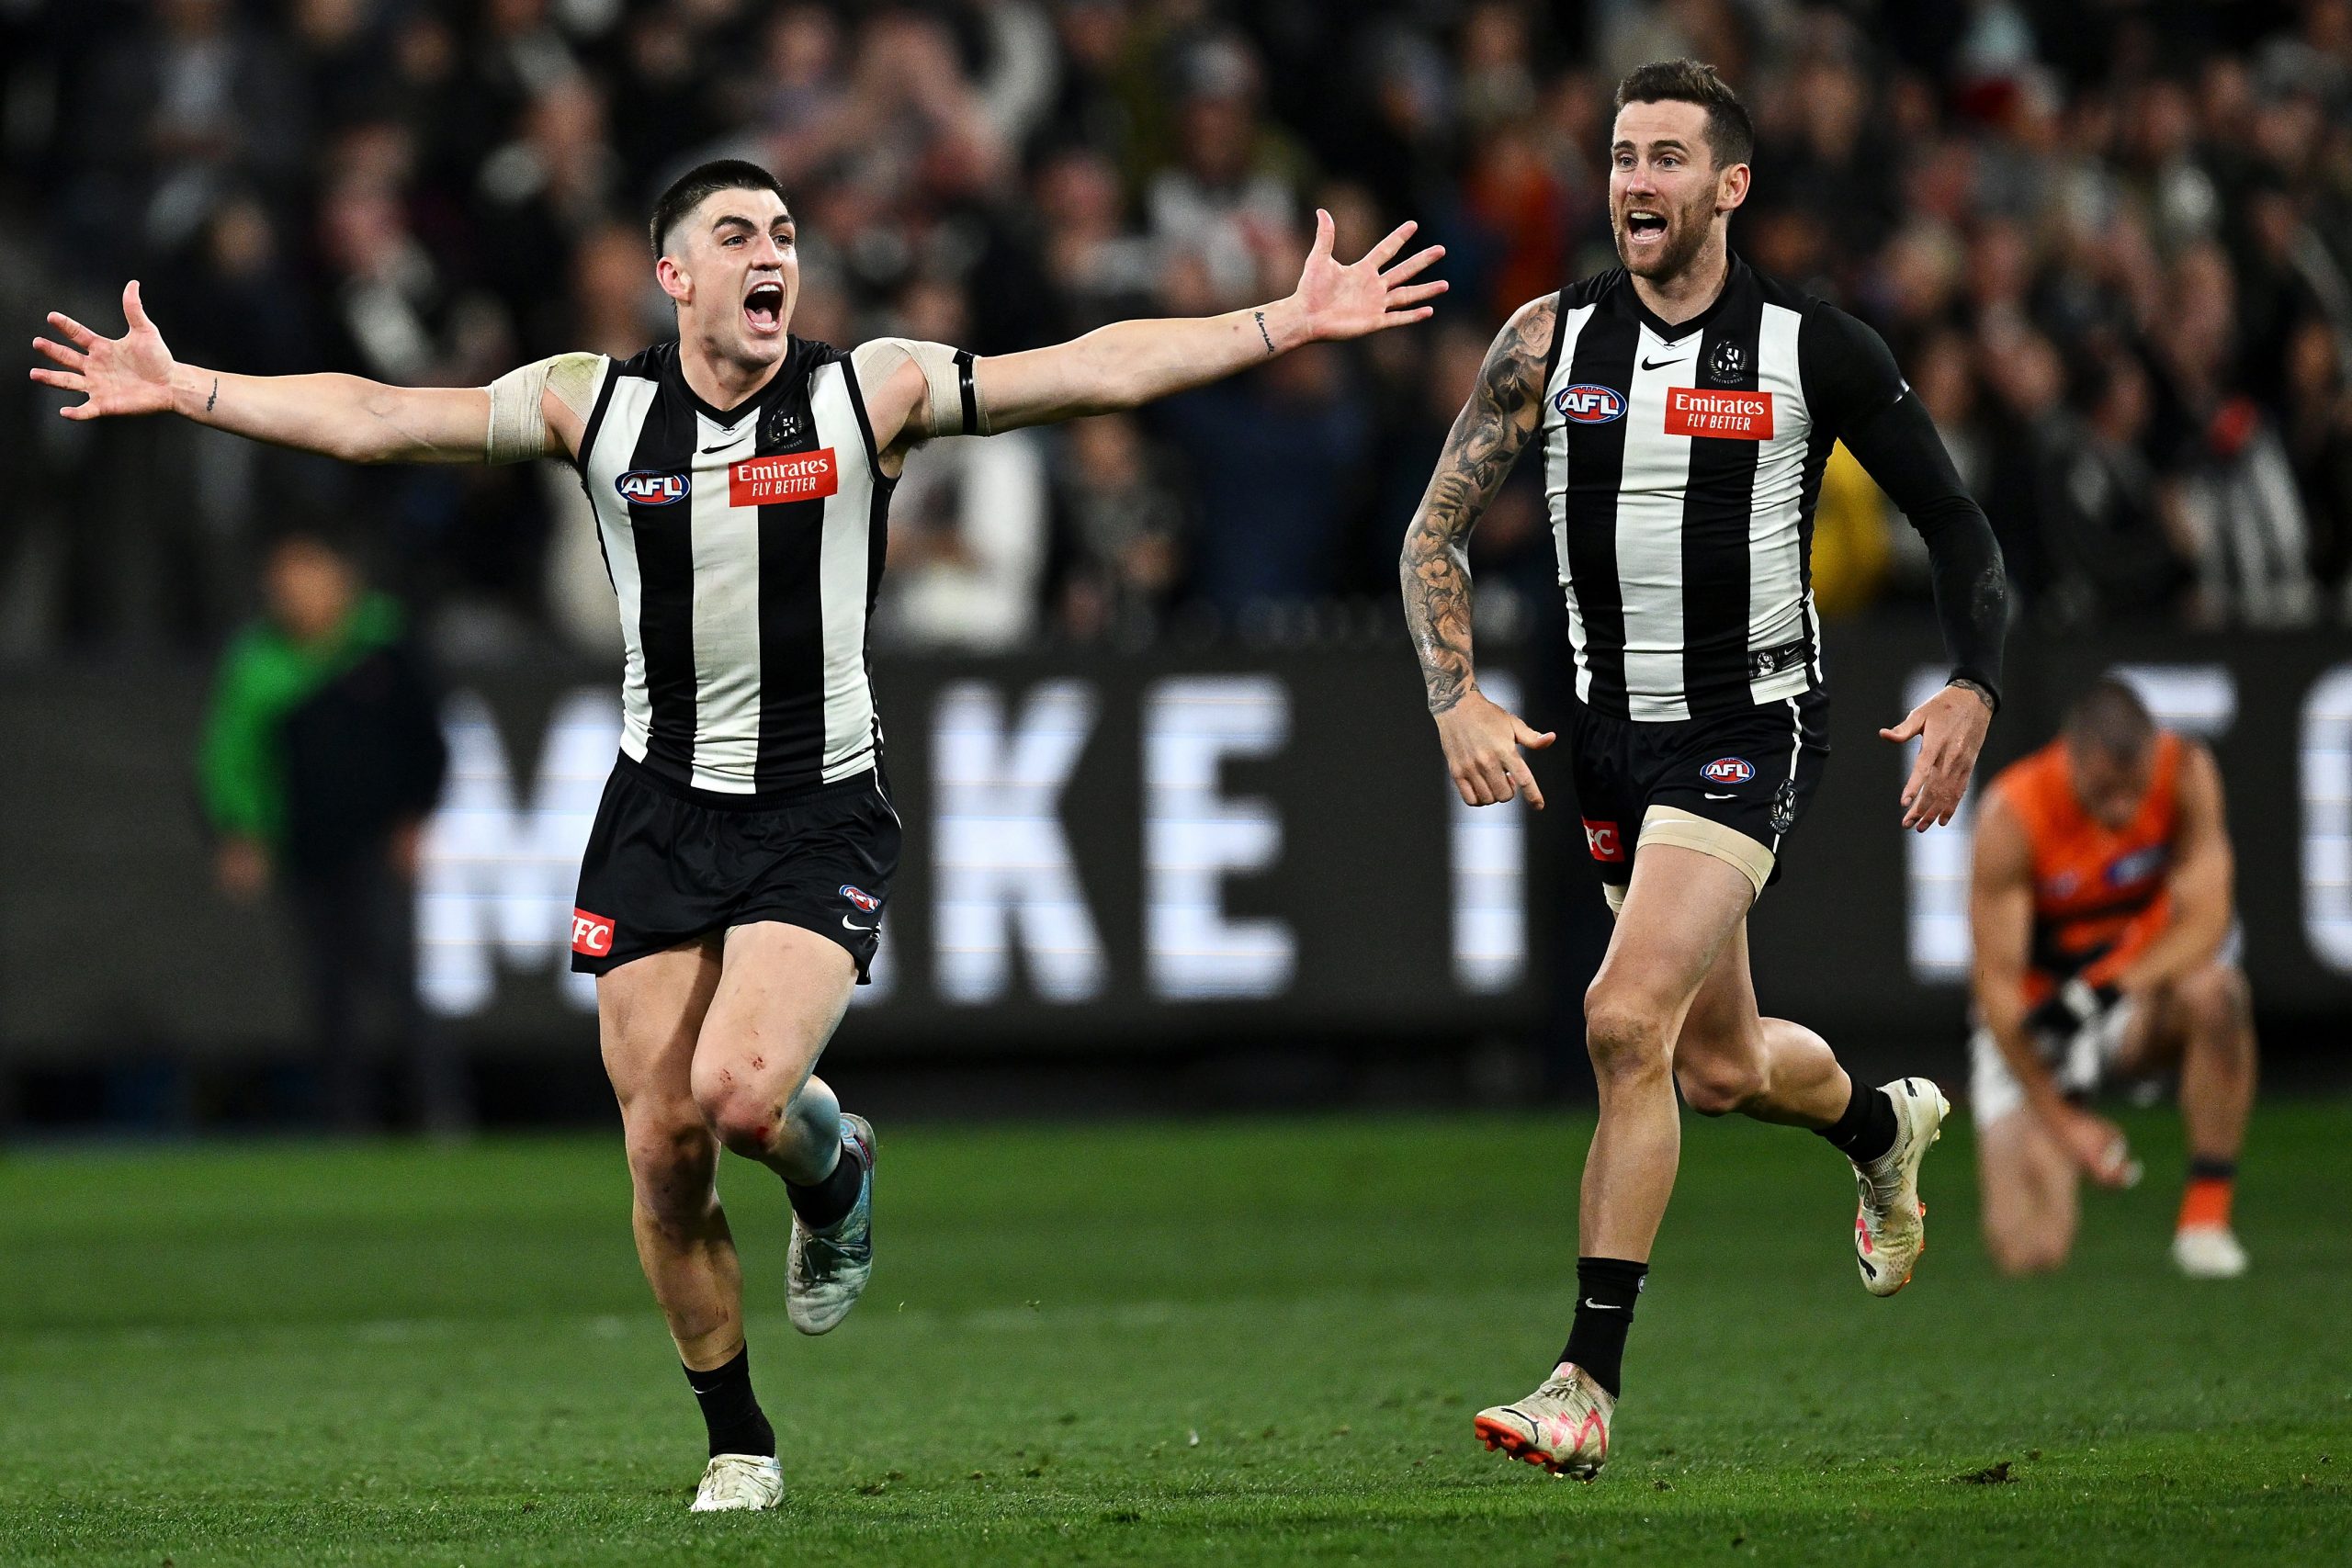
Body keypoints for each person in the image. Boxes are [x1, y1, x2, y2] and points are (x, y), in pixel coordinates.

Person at [34, 157, 1445, 1511]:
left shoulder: (865, 390)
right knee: (662, 1153)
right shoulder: (593, 408)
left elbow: (1086, 370)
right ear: (671, 276)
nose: (772, 255)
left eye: (782, 234)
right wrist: (187, 388)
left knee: (745, 1092)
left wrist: (1286, 319)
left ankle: (840, 1175)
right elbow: (381, 415)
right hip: (656, 812)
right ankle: (739, 1442)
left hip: (818, 804)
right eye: (738, 237)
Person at [1396, 61, 2009, 1480]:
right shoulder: (1548, 341)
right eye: (1621, 156)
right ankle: (1881, 1124)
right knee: (1719, 1065)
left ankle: (1583, 1383)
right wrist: (1456, 697)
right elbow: (1432, 535)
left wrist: (1973, 684)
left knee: (1624, 1023)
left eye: (1668, 159)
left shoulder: (1815, 348)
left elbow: (1960, 527)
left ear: (1731, 185)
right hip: (1611, 740)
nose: (1635, 184)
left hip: (1748, 730)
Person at [1967, 676, 2256, 1280]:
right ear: (2069, 758)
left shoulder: (2184, 772)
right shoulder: (2014, 812)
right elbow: (1996, 992)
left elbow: (2208, 918)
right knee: (2029, 1252)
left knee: (2218, 992)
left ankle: (2205, 1220)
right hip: (2039, 1018)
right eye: (2104, 790)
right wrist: (2068, 1124)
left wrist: (2110, 987)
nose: (2123, 809)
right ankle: (2059, 1136)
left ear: (2154, 753)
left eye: (2133, 788)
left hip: (2130, 1003)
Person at [198, 525, 462, 1133]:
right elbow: (229, 755)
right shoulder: (258, 662)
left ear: (341, 579)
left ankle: (442, 1109)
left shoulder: (384, 643)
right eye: (285, 583)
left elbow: (428, 741)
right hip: (305, 849)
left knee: (399, 976)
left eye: (309, 577)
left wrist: (416, 818)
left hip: (378, 846)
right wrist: (240, 831)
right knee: (327, 990)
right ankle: (348, 1120)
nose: (297, 595)